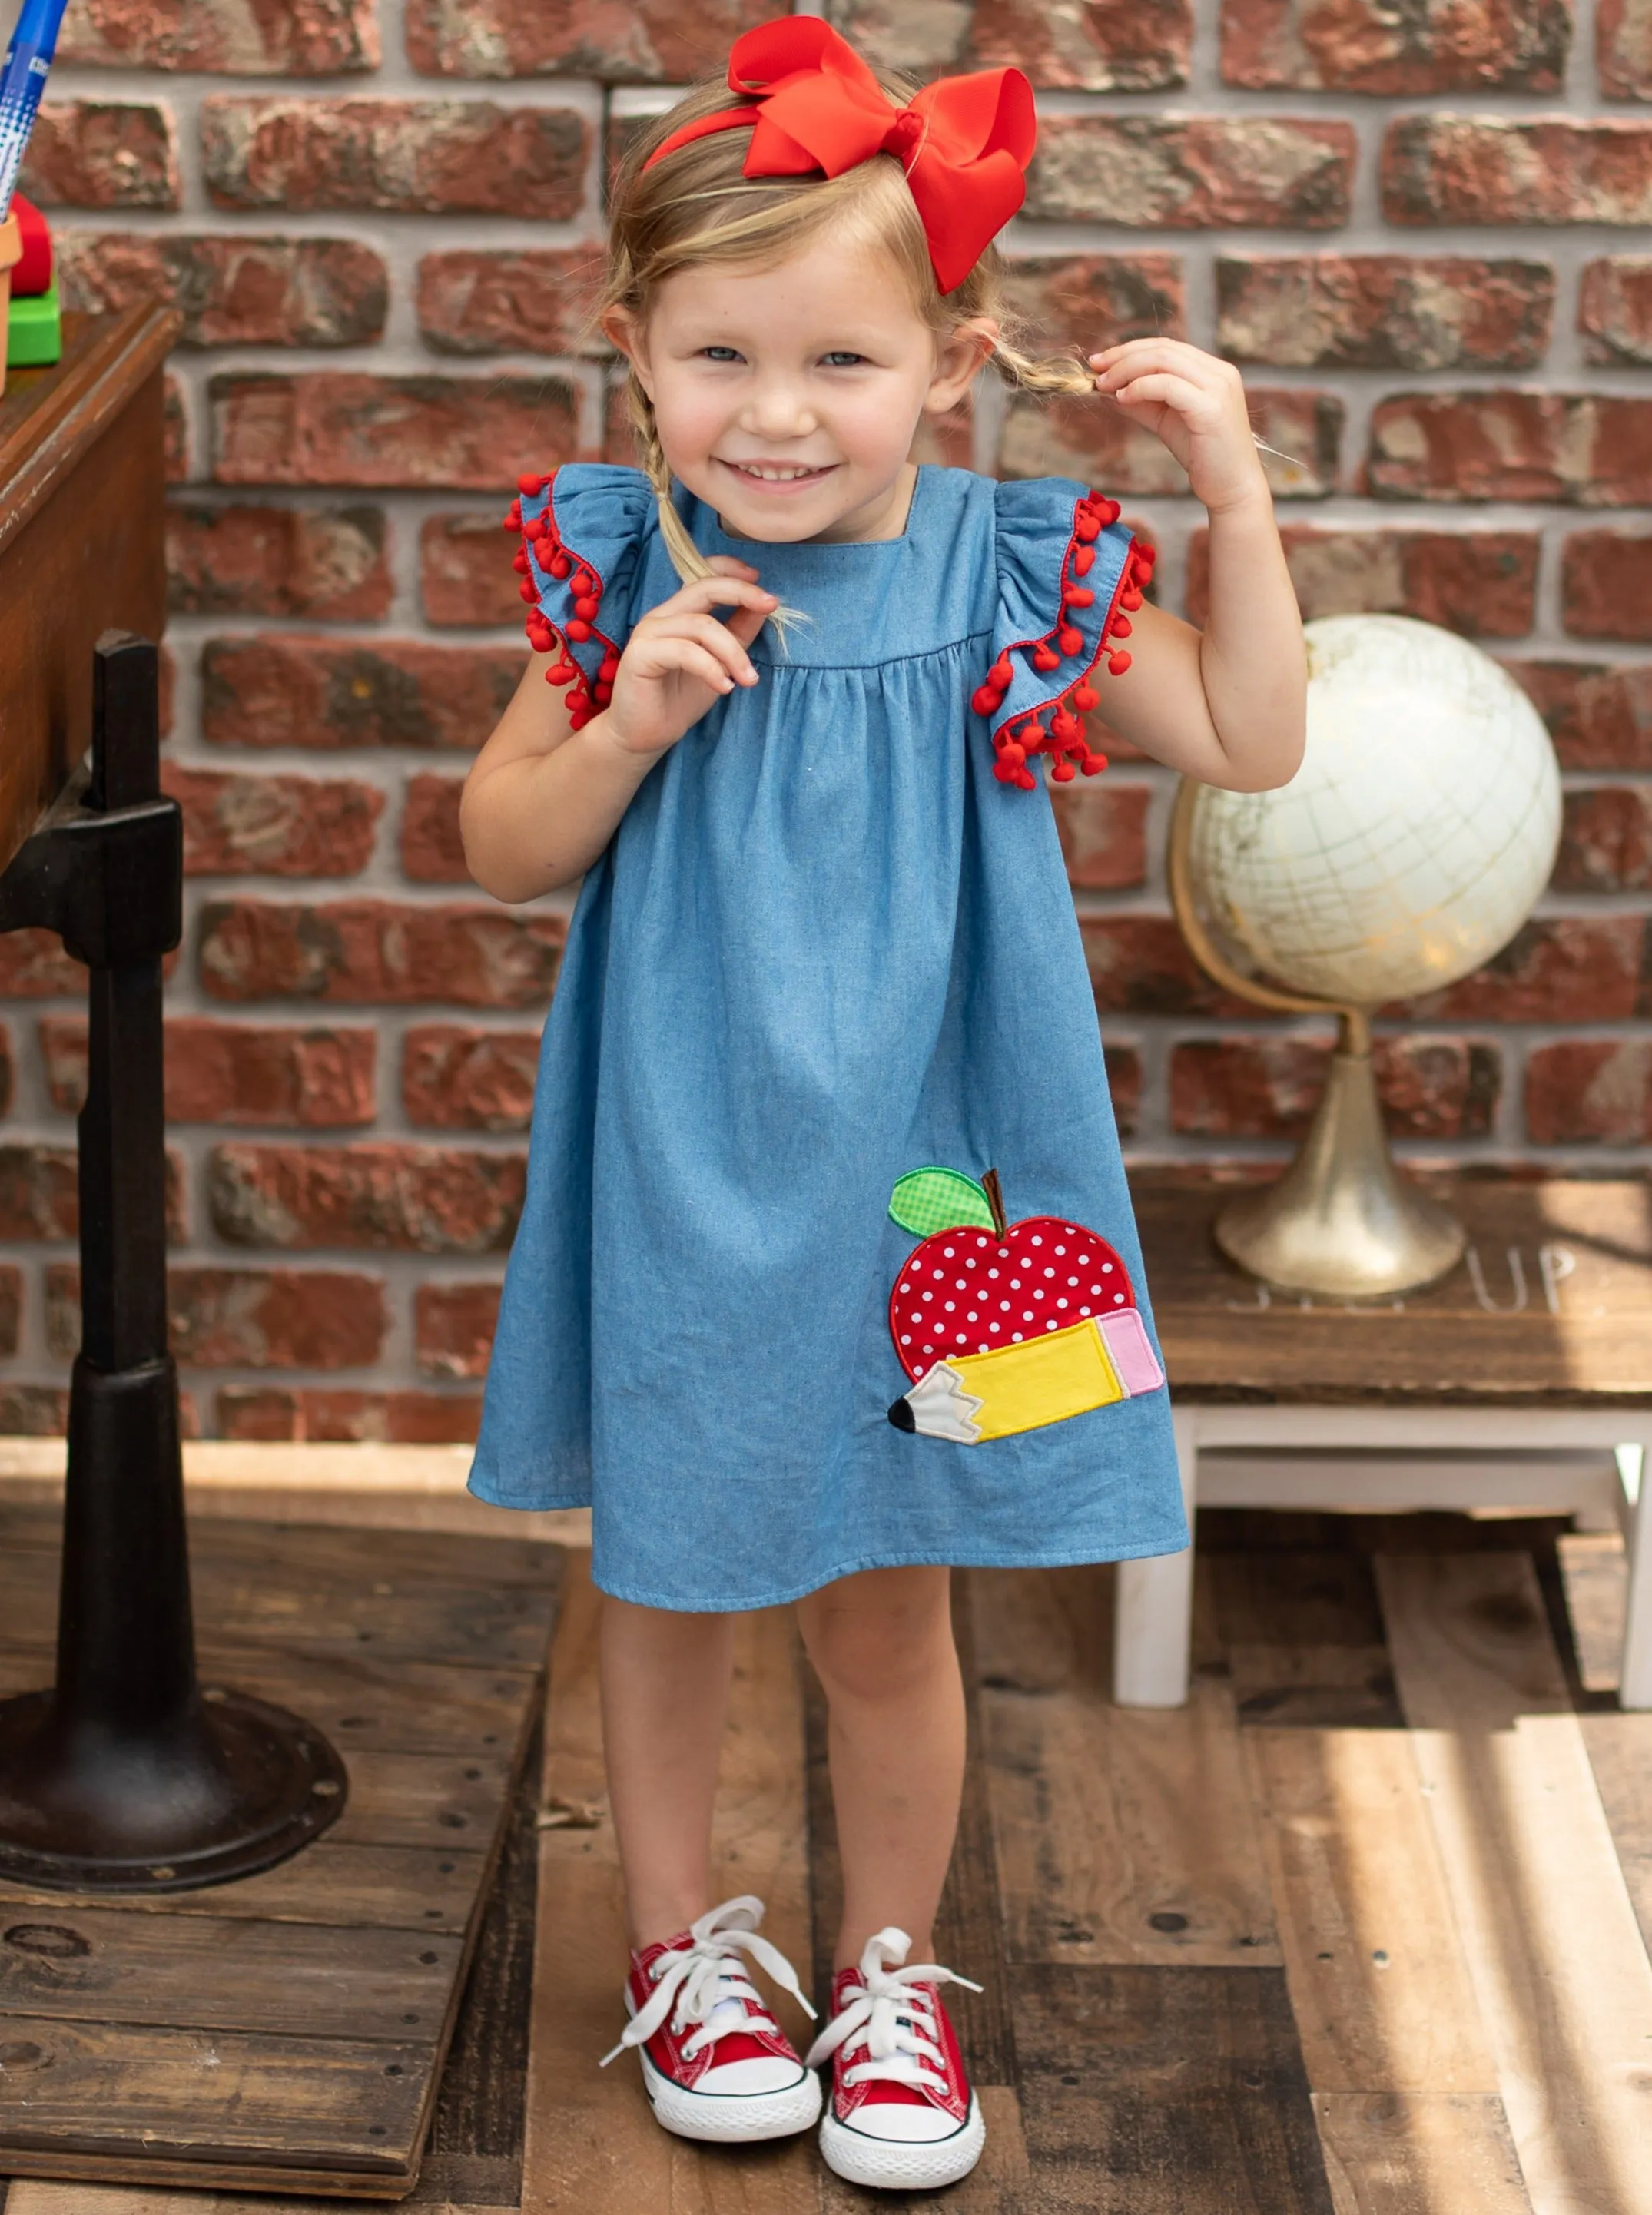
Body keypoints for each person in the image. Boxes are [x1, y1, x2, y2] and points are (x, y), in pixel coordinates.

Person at [460, 15, 1305, 2193]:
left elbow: (1245, 738)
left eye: (837, 363)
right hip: (690, 1154)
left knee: (891, 1585)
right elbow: (503, 850)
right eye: (719, 358)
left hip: (954, 1168)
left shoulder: (1011, 568)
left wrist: (1228, 485)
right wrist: (629, 721)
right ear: (635, 358)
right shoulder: (622, 566)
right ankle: (674, 1955)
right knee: (670, 1571)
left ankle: (891, 1973)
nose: (771, 414)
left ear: (949, 362)